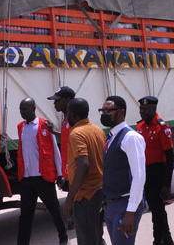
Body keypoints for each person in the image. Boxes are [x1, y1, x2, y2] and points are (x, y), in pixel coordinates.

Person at [16, 98, 68, 245]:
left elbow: (54, 150)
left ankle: (63, 238)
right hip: (26, 179)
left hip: (43, 177)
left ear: (33, 108)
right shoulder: (21, 127)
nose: (22, 112)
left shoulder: (44, 125)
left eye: (25, 109)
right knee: (25, 214)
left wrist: (59, 174)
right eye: (20, 109)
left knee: (54, 210)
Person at [101, 95, 147, 245]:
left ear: (121, 112)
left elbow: (139, 176)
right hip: (112, 204)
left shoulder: (131, 137)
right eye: (102, 111)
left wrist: (131, 211)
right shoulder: (111, 136)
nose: (104, 114)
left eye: (108, 111)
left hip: (125, 204)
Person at [63, 98, 107, 245]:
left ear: (73, 114)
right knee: (96, 237)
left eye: (68, 113)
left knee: (87, 240)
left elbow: (83, 166)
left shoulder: (76, 134)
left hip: (86, 196)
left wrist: (69, 199)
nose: (67, 116)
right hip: (99, 192)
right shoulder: (98, 130)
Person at [135, 96, 174, 245]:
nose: (142, 112)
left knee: (157, 211)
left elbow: (170, 158)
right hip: (145, 173)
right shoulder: (139, 127)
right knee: (156, 210)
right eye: (141, 109)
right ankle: (165, 239)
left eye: (145, 109)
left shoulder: (162, 127)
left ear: (154, 109)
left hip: (158, 173)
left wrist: (167, 184)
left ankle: (160, 240)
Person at [47, 86, 76, 185]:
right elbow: (68, 136)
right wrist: (53, 132)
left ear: (67, 100)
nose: (55, 103)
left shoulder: (74, 118)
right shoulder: (66, 116)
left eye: (57, 100)